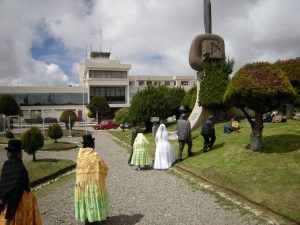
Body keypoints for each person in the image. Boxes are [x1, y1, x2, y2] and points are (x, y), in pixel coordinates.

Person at [0, 139, 42, 225]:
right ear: (19, 154)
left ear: (9, 154)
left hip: (7, 204)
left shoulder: (5, 166)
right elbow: (26, 185)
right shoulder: (20, 167)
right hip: (20, 204)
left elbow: (3, 186)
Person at [74, 134, 109, 225]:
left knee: (85, 200)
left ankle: (87, 218)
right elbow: (104, 167)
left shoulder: (80, 155)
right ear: (92, 145)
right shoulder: (95, 155)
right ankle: (95, 217)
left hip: (81, 183)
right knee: (93, 199)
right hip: (93, 182)